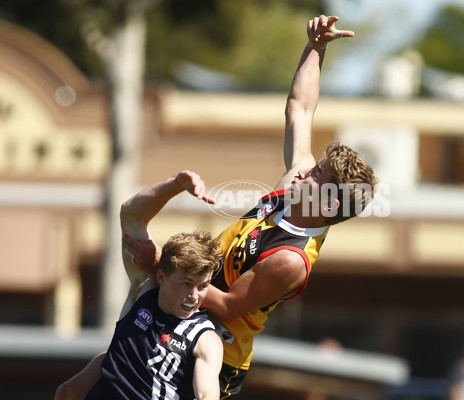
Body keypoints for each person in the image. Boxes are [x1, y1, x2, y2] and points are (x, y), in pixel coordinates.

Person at [56, 14, 378, 399]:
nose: (304, 170)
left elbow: (225, 306)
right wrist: (316, 47)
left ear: (326, 202)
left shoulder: (290, 260)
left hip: (213, 354)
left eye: (316, 175)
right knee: (74, 391)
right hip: (178, 312)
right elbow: (299, 109)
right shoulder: (292, 187)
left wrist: (163, 262)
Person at [55, 171, 223, 400]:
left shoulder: (204, 338)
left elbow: (207, 395)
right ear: (162, 277)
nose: (194, 296)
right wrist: (175, 185)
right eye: (186, 284)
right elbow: (131, 215)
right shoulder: (145, 287)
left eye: (203, 286)